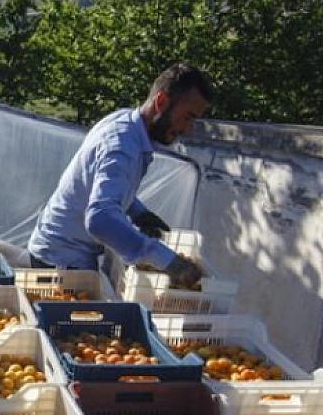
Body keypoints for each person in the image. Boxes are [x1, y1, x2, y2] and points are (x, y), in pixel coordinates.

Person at [27, 64, 211, 288]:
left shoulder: (125, 122)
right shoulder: (122, 146)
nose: (188, 129)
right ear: (161, 102)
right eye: (187, 117)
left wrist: (138, 212)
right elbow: (100, 219)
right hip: (60, 263)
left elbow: (102, 184)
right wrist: (167, 261)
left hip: (58, 251)